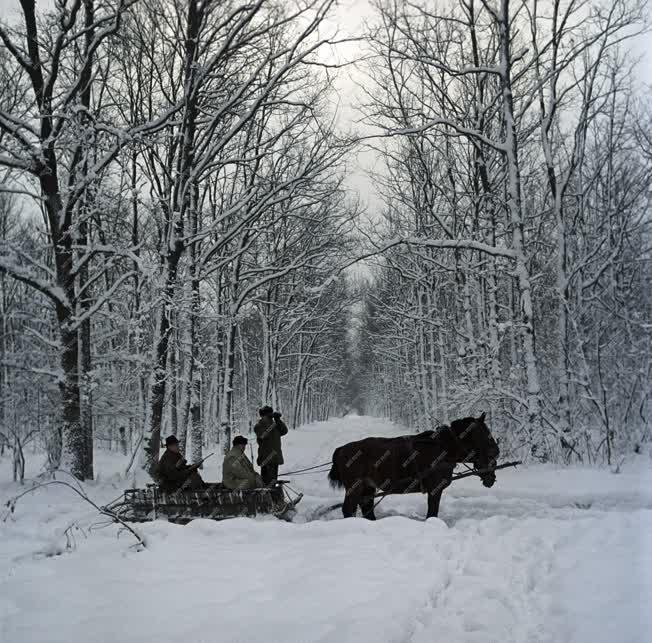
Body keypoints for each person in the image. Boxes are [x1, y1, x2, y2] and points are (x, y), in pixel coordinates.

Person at [254, 406, 288, 485]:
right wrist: (268, 421)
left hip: (275, 458)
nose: (270, 417)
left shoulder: (275, 425)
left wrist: (278, 420)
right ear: (263, 416)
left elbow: (284, 431)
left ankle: (273, 497)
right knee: (267, 483)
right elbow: (263, 434)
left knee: (273, 482)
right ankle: (267, 497)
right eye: (268, 415)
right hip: (266, 458)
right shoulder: (259, 426)